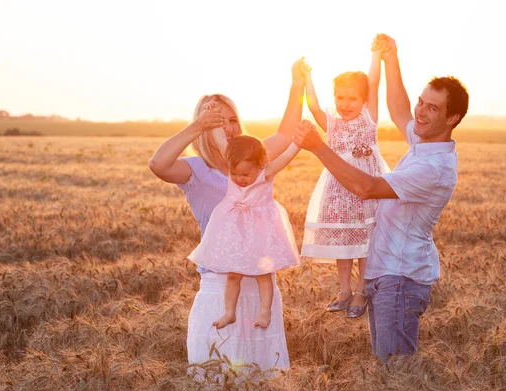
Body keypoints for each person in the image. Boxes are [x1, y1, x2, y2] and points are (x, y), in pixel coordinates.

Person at [293, 33, 469, 362]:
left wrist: (318, 146)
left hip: (399, 279)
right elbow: (400, 108)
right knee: (386, 366)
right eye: (422, 101)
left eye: (433, 108)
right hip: (384, 273)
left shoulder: (434, 167)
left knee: (394, 373)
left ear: (452, 118)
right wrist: (391, 58)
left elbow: (367, 188)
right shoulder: (423, 141)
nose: (420, 111)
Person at [148, 59, 306, 371]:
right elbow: (158, 164)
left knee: (263, 375)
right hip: (221, 283)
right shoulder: (195, 170)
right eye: (219, 122)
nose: (228, 128)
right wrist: (198, 125)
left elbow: (287, 134)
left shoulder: (254, 157)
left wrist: (297, 84)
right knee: (216, 374)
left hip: (261, 282)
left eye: (232, 120)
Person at [298, 47, 390, 319]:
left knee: (364, 241)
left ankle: (361, 290)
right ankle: (344, 290)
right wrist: (307, 77)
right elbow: (313, 105)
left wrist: (377, 55)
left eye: (353, 98)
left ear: (364, 100)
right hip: (338, 189)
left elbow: (374, 82)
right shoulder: (332, 123)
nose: (345, 104)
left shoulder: (369, 118)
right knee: (343, 240)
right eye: (340, 97)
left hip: (366, 187)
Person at [188, 130, 302, 330]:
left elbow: (285, 157)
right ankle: (229, 313)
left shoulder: (266, 173)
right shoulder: (233, 163)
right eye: (234, 174)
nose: (239, 179)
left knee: (263, 273)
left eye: (245, 175)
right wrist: (214, 120)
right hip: (235, 233)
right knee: (233, 275)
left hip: (259, 231)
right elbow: (222, 142)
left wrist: (299, 141)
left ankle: (265, 311)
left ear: (259, 165)